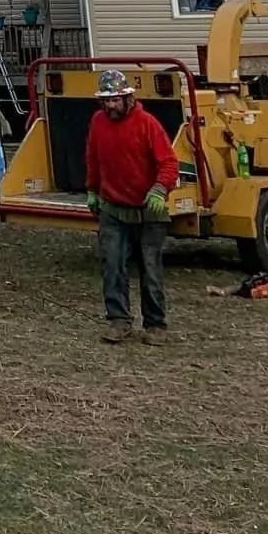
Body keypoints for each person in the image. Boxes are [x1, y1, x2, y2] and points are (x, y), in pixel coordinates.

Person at [85, 67, 180, 343]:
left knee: (150, 268)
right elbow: (93, 157)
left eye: (115, 100)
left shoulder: (147, 123)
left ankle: (155, 325)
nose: (110, 106)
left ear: (128, 98)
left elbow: (169, 162)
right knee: (112, 264)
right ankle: (118, 321)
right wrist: (92, 189)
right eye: (105, 101)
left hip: (148, 212)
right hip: (113, 209)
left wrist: (159, 189)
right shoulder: (98, 122)